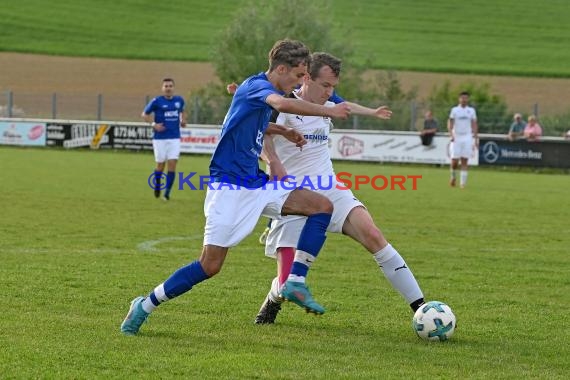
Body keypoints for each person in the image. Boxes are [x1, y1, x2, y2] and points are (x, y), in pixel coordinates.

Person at [121, 39, 351, 335]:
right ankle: (145, 304)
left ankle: (295, 281)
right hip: (228, 187)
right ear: (281, 69)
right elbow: (281, 104)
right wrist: (329, 111)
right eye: (297, 76)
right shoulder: (259, 87)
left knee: (322, 206)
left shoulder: (259, 92)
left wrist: (282, 130)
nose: (299, 82)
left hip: (256, 183)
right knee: (210, 266)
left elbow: (253, 123)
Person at [254, 52, 425, 324]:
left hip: (329, 186)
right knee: (287, 282)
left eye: (333, 86)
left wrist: (372, 112)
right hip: (293, 195)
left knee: (373, 235)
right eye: (325, 85)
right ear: (306, 77)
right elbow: (259, 132)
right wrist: (273, 160)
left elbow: (345, 103)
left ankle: (422, 309)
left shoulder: (329, 102)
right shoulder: (283, 104)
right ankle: (274, 298)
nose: (330, 92)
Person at [142, 78, 187, 201]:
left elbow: (182, 111)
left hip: (174, 138)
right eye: (166, 86)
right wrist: (154, 125)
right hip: (159, 139)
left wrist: (183, 120)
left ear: (173, 87)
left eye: (170, 86)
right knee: (160, 166)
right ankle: (157, 185)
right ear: (163, 88)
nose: (168, 88)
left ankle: (167, 193)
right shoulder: (157, 101)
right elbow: (145, 115)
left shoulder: (179, 100)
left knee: (172, 164)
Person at [448, 91, 478, 189]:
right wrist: (451, 134)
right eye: (462, 98)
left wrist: (475, 137)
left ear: (468, 99)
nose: (464, 100)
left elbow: (474, 123)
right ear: (459, 99)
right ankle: (453, 176)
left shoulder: (471, 111)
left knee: (465, 160)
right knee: (454, 161)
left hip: (467, 137)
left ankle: (462, 184)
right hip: (457, 136)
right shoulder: (454, 110)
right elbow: (450, 123)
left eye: (466, 98)